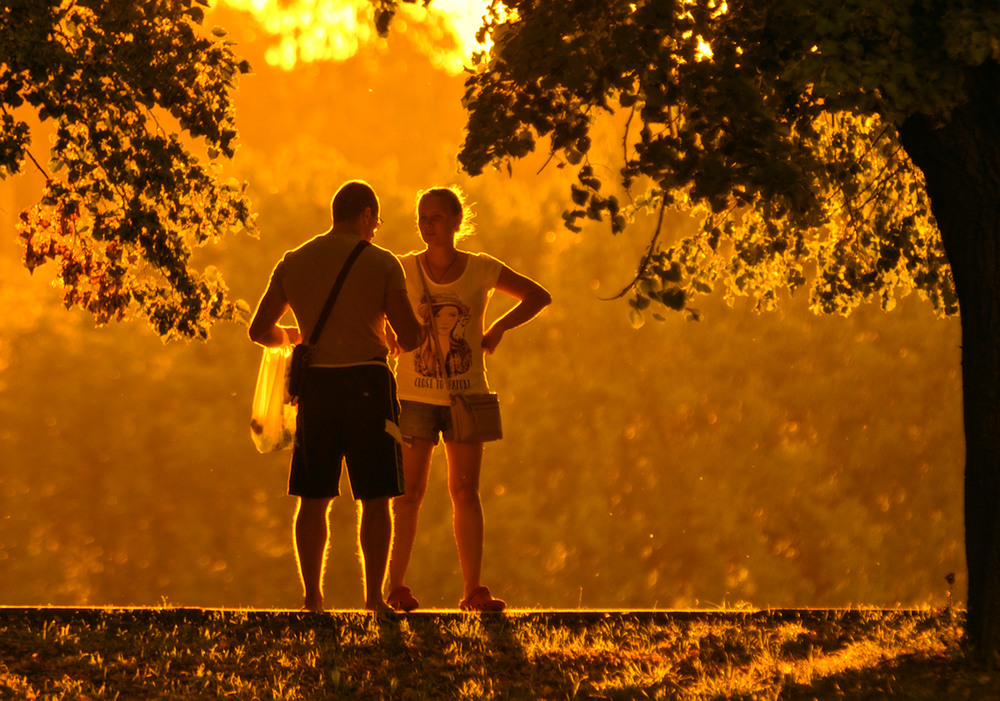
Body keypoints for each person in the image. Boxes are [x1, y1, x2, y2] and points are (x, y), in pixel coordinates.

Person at [248, 180, 422, 613]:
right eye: (375, 222)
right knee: (377, 496)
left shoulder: (294, 261)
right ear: (365, 215)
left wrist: (296, 335)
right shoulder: (382, 263)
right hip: (369, 385)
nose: (375, 230)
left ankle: (312, 598)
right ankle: (373, 599)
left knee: (313, 496)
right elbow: (410, 335)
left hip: (318, 388)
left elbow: (259, 331)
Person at [386, 186, 551, 612]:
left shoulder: (481, 269)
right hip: (414, 396)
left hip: (466, 395)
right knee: (408, 494)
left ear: (458, 222)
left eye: (436, 216)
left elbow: (538, 295)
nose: (427, 225)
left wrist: (497, 329)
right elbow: (377, 307)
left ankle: (473, 591)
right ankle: (395, 588)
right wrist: (387, 335)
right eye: (422, 217)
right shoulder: (402, 268)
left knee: (465, 491)